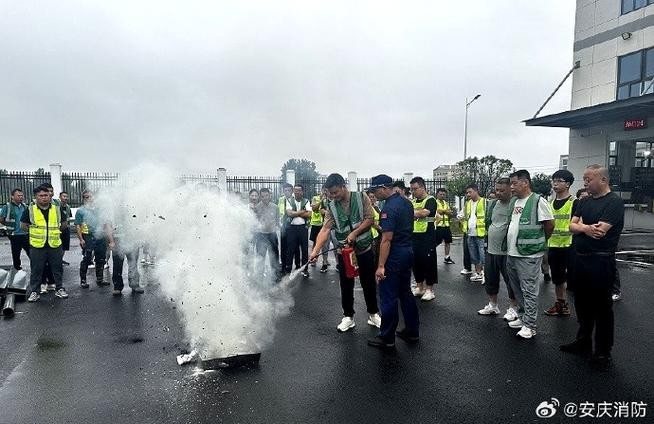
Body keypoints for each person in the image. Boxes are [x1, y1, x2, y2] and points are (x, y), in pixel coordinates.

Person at [561, 165, 624, 371]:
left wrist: (582, 229)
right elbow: (572, 226)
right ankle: (583, 341)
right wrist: (586, 228)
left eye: (588, 179)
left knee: (602, 308)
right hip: (580, 258)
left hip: (601, 260)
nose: (585, 183)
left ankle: (603, 351)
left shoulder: (614, 202)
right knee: (581, 303)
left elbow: (601, 231)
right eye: (584, 179)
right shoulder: (583, 201)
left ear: (603, 180)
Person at [309, 174, 381, 331]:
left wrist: (354, 234)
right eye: (330, 194)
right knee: (346, 285)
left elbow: (369, 219)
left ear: (343, 186)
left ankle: (373, 314)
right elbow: (325, 229)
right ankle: (348, 316)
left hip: (364, 249)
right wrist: (314, 251)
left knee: (368, 283)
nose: (333, 196)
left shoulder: (361, 197)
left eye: (335, 192)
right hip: (344, 253)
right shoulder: (331, 205)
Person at [367, 175, 419, 349]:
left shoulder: (388, 208)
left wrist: (381, 266)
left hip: (394, 254)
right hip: (408, 251)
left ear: (383, 188)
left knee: (388, 296)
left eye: (374, 190)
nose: (374, 194)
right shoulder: (406, 203)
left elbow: (386, 239)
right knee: (405, 293)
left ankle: (387, 337)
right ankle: (412, 331)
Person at [505, 170, 554, 339]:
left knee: (529, 290)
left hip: (529, 254)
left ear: (525, 183)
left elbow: (549, 225)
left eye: (514, 183)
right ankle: (522, 316)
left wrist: (540, 241)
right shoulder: (514, 202)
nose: (512, 187)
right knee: (516, 288)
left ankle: (530, 325)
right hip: (512, 252)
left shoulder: (538, 201)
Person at [477, 178, 518, 320]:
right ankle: (493, 305)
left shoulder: (515, 204)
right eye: (497, 190)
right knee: (490, 279)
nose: (498, 193)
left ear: (510, 190)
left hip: (507, 251)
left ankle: (513, 307)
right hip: (491, 249)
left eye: (502, 190)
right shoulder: (493, 204)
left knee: (510, 281)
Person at [21, 185, 68, 301]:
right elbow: (23, 226)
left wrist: (53, 233)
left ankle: (59, 289)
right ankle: (35, 292)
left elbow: (64, 224)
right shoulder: (30, 210)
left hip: (55, 244)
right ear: (36, 197)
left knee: (57, 269)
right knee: (36, 270)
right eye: (41, 196)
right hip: (37, 245)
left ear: (50, 196)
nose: (44, 198)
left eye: (46, 195)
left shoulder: (57, 209)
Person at [544, 170, 577, 317]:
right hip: (554, 246)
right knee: (557, 278)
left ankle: (584, 310)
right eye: (553, 181)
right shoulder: (549, 204)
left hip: (571, 246)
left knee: (575, 279)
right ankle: (561, 304)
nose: (555, 184)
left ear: (568, 184)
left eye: (559, 181)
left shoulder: (575, 202)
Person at [409, 177, 439, 302]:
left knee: (428, 262)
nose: (413, 192)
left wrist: (411, 212)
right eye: (411, 189)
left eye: (415, 189)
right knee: (416, 262)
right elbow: (415, 213)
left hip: (427, 236)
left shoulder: (431, 200)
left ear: (423, 187)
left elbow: (424, 213)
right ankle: (419, 286)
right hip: (414, 236)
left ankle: (429, 289)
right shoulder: (413, 201)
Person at [75, 190, 110, 288]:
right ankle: (83, 280)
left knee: (101, 258)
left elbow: (106, 224)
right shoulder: (80, 211)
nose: (89, 199)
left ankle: (100, 279)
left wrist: (109, 238)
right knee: (87, 258)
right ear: (83, 199)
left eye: (90, 196)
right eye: (86, 197)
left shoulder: (100, 210)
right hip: (88, 236)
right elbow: (78, 226)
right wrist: (81, 239)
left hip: (100, 236)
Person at [108, 208, 143, 295]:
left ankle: (135, 284)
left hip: (132, 240)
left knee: (133, 263)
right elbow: (108, 227)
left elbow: (138, 224)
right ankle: (117, 287)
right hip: (118, 242)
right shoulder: (112, 211)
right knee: (117, 265)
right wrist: (111, 241)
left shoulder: (133, 206)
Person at [459, 184, 486, 283]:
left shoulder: (484, 202)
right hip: (470, 233)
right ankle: (478, 273)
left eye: (470, 192)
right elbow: (462, 215)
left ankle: (485, 274)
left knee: (483, 255)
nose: (468, 194)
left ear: (476, 191)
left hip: (481, 233)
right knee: (474, 255)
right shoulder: (467, 204)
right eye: (467, 193)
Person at [284, 184, 311, 277]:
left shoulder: (306, 201)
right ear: (293, 191)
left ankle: (305, 269)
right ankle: (288, 269)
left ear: (302, 192)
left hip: (303, 228)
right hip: (292, 229)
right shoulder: (289, 200)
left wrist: (295, 213)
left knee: (304, 249)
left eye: (299, 190)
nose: (297, 192)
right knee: (290, 249)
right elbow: (289, 213)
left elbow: (309, 214)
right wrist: (301, 212)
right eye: (295, 190)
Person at [254, 188, 280, 279]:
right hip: (261, 235)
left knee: (274, 255)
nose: (265, 198)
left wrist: (275, 228)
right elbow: (255, 221)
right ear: (260, 197)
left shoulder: (275, 207)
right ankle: (259, 276)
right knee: (260, 256)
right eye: (262, 196)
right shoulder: (257, 207)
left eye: (266, 196)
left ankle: (276, 275)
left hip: (272, 234)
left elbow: (277, 221)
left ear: (270, 195)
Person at [1, 188, 29, 270]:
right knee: (16, 253)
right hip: (14, 235)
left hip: (25, 234)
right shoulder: (7, 206)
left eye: (22, 195)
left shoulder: (25, 206)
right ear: (12, 197)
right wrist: (9, 226)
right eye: (18, 195)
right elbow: (2, 219)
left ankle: (36, 267)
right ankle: (17, 268)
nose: (21, 197)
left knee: (31, 252)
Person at [278, 183, 299, 274]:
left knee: (295, 247)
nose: (287, 192)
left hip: (293, 227)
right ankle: (284, 266)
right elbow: (279, 212)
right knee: (283, 247)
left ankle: (297, 265)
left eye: (289, 190)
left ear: (292, 191)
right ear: (283, 191)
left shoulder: (295, 200)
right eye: (285, 190)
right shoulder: (281, 200)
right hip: (283, 227)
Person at [309, 188, 331, 273]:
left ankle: (330, 262)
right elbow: (315, 208)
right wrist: (321, 200)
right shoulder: (316, 198)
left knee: (330, 245)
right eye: (324, 190)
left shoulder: (331, 198)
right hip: (317, 224)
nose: (325, 192)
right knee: (317, 242)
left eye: (326, 190)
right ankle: (315, 259)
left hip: (326, 225)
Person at [434, 188, 455, 264]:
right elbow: (437, 211)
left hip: (446, 226)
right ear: (437, 194)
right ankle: (430, 256)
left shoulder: (446, 203)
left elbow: (450, 213)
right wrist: (445, 211)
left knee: (448, 242)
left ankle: (447, 257)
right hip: (438, 226)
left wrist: (445, 212)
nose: (442, 196)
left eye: (444, 194)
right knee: (436, 242)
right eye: (441, 194)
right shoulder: (434, 202)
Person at [59, 191, 73, 266]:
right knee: (58, 246)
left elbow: (69, 217)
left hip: (66, 228)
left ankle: (61, 260)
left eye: (66, 196)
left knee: (65, 246)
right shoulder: (57, 206)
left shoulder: (68, 207)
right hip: (58, 229)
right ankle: (57, 260)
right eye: (64, 196)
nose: (65, 198)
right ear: (60, 197)